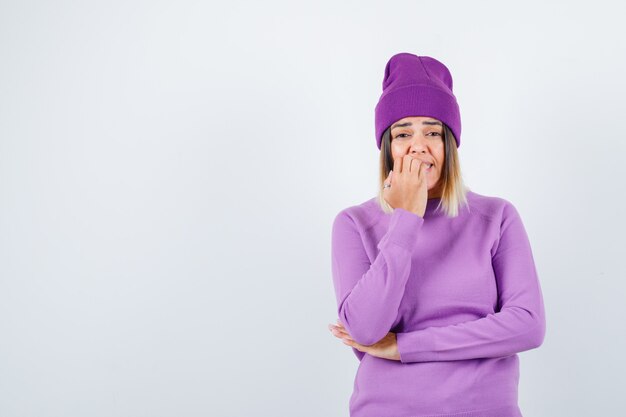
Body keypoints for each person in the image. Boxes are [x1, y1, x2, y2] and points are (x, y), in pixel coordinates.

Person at [328, 52, 546, 417]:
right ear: (386, 148)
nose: (418, 146)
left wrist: (405, 346)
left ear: (450, 144)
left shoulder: (496, 216)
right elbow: (365, 330)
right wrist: (406, 219)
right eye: (402, 133)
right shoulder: (353, 224)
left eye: (432, 132)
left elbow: (528, 325)